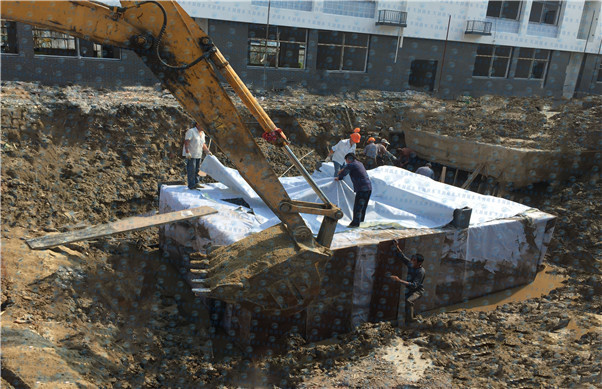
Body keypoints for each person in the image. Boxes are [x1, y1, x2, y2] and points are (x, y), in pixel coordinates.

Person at [389, 241, 426, 324]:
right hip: (409, 290)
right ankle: (408, 321)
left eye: (414, 260)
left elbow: (414, 285)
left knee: (409, 301)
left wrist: (398, 280)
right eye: (412, 259)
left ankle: (411, 319)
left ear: (419, 263)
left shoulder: (421, 272)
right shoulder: (411, 265)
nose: (411, 261)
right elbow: (402, 257)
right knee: (407, 305)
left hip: (417, 291)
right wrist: (397, 246)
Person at [334, 153, 372, 228]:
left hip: (362, 189)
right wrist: (343, 169)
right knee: (363, 207)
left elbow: (345, 172)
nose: (346, 162)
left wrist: (339, 177)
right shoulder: (359, 163)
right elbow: (347, 168)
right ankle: (360, 223)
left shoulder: (351, 165)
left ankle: (355, 224)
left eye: (346, 160)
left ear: (348, 159)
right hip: (368, 187)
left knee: (358, 207)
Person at [183, 122, 212, 189]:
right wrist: (187, 152)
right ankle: (191, 185)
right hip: (191, 155)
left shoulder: (203, 134)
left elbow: (203, 144)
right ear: (197, 124)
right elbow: (186, 142)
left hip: (198, 154)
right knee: (191, 170)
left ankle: (196, 183)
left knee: (198, 170)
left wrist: (207, 151)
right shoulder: (191, 131)